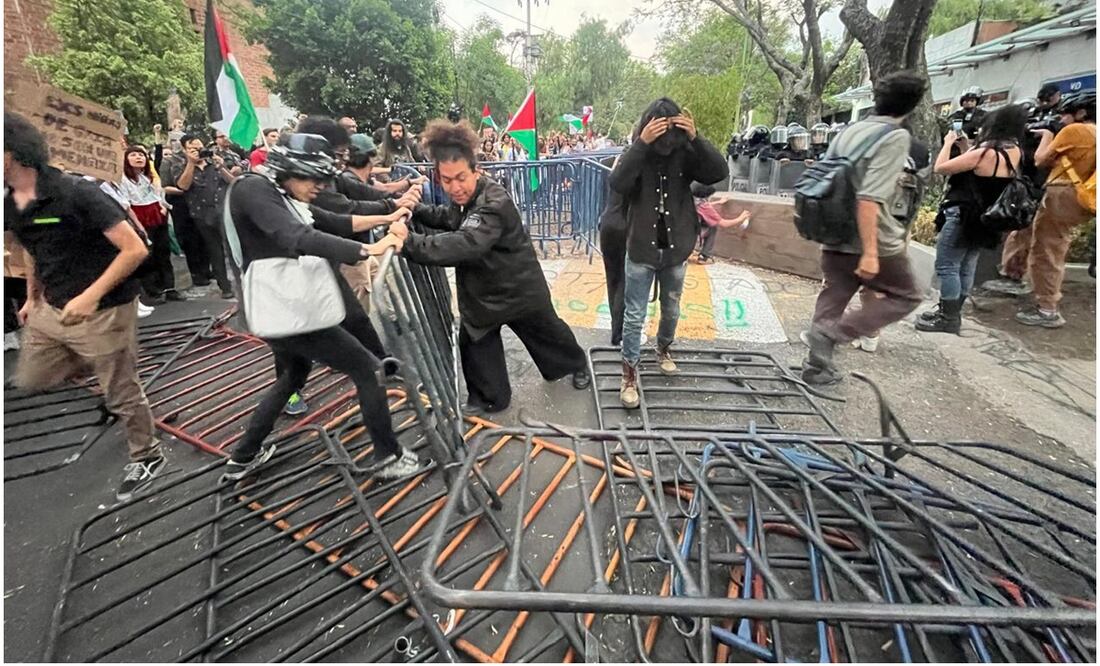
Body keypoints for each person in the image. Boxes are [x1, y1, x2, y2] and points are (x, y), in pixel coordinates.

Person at [220, 133, 416, 481]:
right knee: (368, 369)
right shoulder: (253, 189)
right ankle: (388, 457)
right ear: (290, 169)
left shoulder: (280, 192)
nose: (320, 187)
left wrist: (388, 217)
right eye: (315, 180)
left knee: (293, 375)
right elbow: (296, 237)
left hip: (289, 307)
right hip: (289, 310)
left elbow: (332, 221)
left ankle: (243, 456)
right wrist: (369, 250)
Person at [5, 112, 164, 501]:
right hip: (53, 305)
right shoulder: (11, 204)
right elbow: (32, 252)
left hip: (105, 306)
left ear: (11, 153)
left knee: (121, 388)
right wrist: (31, 297)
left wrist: (90, 296)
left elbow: (135, 248)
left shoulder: (78, 192)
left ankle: (148, 455)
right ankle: (105, 363)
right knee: (32, 377)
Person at [396, 119, 591, 416]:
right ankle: (489, 397)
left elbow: (466, 241)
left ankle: (577, 365)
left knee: (551, 336)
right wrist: (417, 210)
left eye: (460, 177)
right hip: (482, 293)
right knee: (475, 343)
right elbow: (450, 218)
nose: (454, 187)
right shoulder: (465, 199)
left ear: (476, 170)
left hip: (519, 288)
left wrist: (409, 243)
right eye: (446, 180)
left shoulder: (493, 201)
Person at [800, 71, 927, 385]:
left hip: (833, 230)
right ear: (912, 105)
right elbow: (869, 198)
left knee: (836, 292)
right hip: (868, 237)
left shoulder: (850, 130)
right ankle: (833, 333)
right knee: (908, 295)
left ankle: (818, 367)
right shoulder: (895, 136)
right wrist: (871, 252)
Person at [609, 98, 728, 408]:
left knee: (672, 307)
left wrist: (695, 137)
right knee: (635, 315)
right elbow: (617, 183)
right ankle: (629, 374)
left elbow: (718, 171)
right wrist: (641, 143)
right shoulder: (636, 154)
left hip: (676, 246)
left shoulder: (684, 152)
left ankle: (663, 349)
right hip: (641, 246)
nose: (665, 141)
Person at [987, 92, 1095, 328]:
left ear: (1081, 113)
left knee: (1046, 250)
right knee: (1033, 236)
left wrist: (1047, 135)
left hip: (1062, 195)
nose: (1061, 118)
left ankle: (1047, 309)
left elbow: (1040, 159)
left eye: (1065, 114)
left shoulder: (1076, 131)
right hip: (1079, 197)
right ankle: (1016, 276)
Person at [918, 106, 1026, 334]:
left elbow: (941, 168)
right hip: (987, 219)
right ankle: (952, 312)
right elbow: (980, 171)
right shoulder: (1015, 151)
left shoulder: (984, 153)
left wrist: (948, 143)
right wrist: (966, 147)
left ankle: (947, 318)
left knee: (947, 265)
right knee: (967, 267)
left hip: (963, 215)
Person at [167, 132, 237, 299]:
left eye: (199, 147)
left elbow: (233, 181)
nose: (198, 151)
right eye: (192, 149)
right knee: (215, 251)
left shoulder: (216, 160)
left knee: (234, 248)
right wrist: (191, 163)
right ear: (184, 150)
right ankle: (225, 286)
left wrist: (221, 166)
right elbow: (183, 186)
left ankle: (243, 280)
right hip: (201, 215)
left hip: (224, 211)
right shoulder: (179, 165)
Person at [120, 145, 184, 305]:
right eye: (133, 155)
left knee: (164, 252)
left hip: (157, 216)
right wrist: (136, 225)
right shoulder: (123, 179)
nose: (138, 158)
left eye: (141, 155)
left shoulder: (147, 177)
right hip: (139, 219)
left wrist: (163, 208)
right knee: (149, 256)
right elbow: (126, 205)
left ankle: (169, 288)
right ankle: (152, 291)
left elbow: (158, 195)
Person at [691, 182, 750, 264]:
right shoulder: (705, 207)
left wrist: (718, 202)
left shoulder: (691, 200)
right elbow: (724, 223)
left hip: (682, 231)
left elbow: (703, 206)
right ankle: (704, 256)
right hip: (690, 232)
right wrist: (740, 218)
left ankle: (689, 251)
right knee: (712, 227)